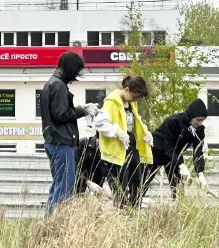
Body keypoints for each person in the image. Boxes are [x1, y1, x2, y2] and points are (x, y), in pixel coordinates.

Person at [40, 52, 97, 216]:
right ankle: (57, 224)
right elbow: (61, 114)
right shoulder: (58, 85)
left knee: (58, 185)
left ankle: (49, 221)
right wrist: (82, 110)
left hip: (53, 141)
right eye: (76, 72)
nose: (75, 76)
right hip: (62, 141)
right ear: (70, 68)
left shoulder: (51, 83)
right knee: (65, 187)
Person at [93, 76, 153, 208]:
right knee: (121, 188)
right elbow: (99, 123)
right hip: (117, 152)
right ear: (127, 89)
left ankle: (134, 213)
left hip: (131, 147)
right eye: (135, 96)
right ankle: (122, 214)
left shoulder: (132, 104)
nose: (136, 99)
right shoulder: (111, 102)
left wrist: (145, 132)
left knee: (136, 184)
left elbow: (135, 122)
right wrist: (117, 132)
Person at [140, 98, 208, 200]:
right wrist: (182, 165)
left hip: (175, 156)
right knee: (143, 183)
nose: (200, 123)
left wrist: (201, 174)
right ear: (191, 117)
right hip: (157, 152)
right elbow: (168, 147)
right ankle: (133, 206)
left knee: (178, 188)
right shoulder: (173, 121)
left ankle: (177, 209)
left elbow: (198, 152)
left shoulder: (199, 130)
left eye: (202, 120)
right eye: (198, 120)